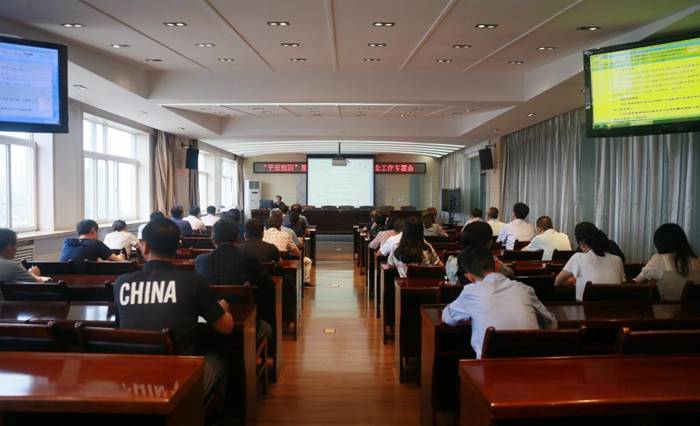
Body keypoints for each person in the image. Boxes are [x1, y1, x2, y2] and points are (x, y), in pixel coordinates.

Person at [113, 218, 234, 396]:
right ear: (177, 247)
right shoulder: (192, 281)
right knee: (220, 361)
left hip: (133, 379)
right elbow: (226, 327)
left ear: (144, 247)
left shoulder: (122, 283)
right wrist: (223, 309)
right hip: (179, 379)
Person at [442, 244, 557, 358]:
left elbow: (448, 318)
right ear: (497, 266)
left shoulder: (471, 292)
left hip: (489, 366)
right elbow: (551, 324)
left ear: (469, 277)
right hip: (531, 363)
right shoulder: (524, 289)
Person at [195, 220, 274, 342]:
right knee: (267, 329)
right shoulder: (247, 258)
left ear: (213, 240)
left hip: (209, 324)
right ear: (237, 237)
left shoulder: (200, 261)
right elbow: (268, 285)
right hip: (245, 324)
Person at [555, 222, 625, 301]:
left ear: (581, 243)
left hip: (584, 308)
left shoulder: (578, 257)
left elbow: (557, 282)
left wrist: (570, 281)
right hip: (614, 307)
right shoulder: (618, 260)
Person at [634, 223, 700, 301]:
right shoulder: (697, 260)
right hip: (694, 308)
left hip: (667, 307)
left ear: (660, 242)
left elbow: (637, 282)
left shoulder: (659, 259)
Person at [59, 220, 125, 269]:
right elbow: (118, 261)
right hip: (86, 280)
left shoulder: (67, 243)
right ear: (93, 230)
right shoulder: (96, 244)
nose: (98, 235)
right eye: (97, 231)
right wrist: (122, 256)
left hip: (63, 281)